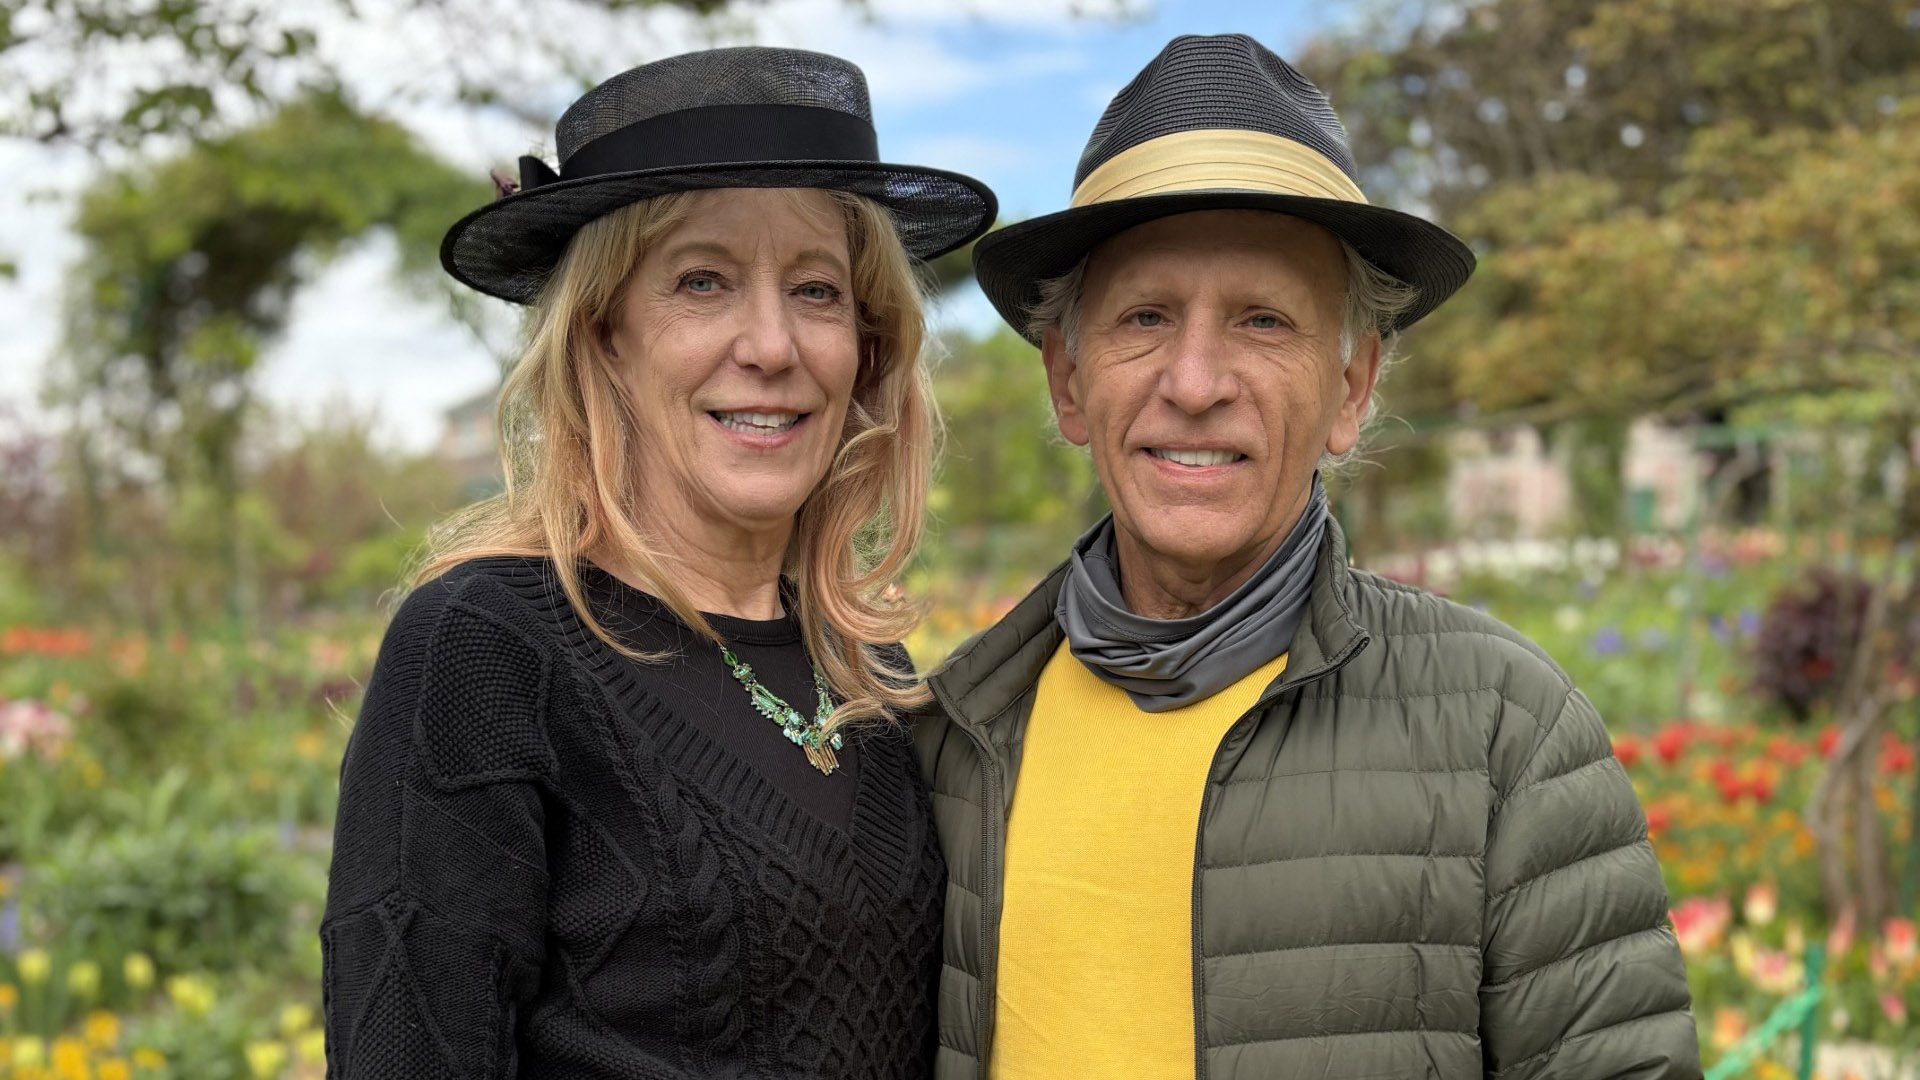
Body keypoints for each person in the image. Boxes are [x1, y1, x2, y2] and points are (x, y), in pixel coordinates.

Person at [913, 33, 1701, 1080]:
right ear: (1068, 380)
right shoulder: (952, 739)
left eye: (1263, 321)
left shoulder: (1508, 733)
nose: (1195, 382)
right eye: (1145, 317)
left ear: (1352, 387)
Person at [320, 46, 995, 1079]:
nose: (771, 345)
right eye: (702, 281)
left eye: (815, 290)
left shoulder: (868, 668)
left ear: (867, 344)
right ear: (604, 339)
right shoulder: (494, 647)